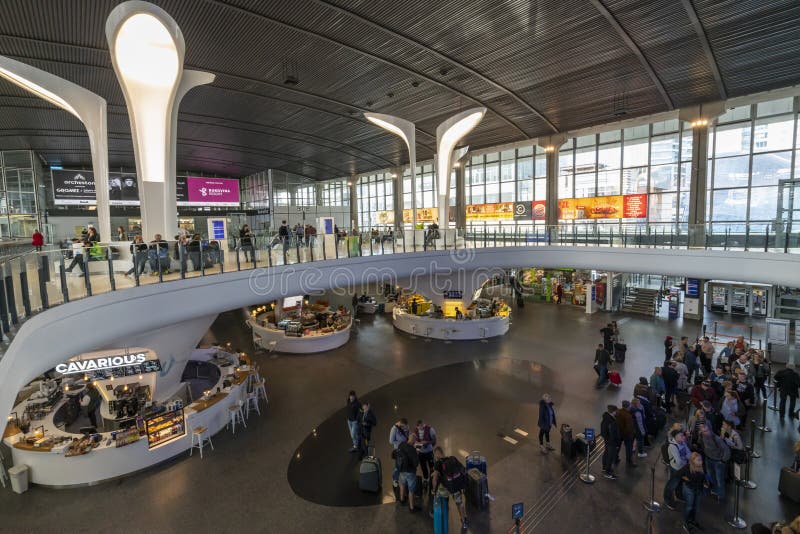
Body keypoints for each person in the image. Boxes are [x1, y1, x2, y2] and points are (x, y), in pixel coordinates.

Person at [431, 446, 468, 531]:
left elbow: (435, 479)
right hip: (457, 486)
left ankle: (437, 510)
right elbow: (463, 469)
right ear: (443, 453)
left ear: (436, 456)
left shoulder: (438, 463)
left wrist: (433, 490)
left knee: (437, 494)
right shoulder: (452, 458)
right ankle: (464, 520)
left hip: (447, 488)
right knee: (460, 503)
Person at [678, 452, 709, 531]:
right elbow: (678, 474)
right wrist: (687, 480)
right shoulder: (687, 467)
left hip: (698, 490)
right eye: (698, 460)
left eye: (701, 459)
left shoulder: (702, 467)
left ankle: (692, 520)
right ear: (692, 461)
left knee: (696, 507)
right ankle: (686, 523)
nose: (700, 461)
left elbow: (704, 477)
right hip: (689, 490)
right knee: (689, 507)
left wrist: (705, 482)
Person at [700, 424, 730, 499]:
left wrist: (723, 460)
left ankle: (720, 495)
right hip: (708, 459)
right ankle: (714, 490)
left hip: (718, 462)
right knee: (710, 476)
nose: (705, 432)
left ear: (710, 430)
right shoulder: (702, 437)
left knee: (719, 479)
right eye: (703, 431)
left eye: (706, 430)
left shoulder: (716, 439)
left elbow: (727, 451)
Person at [663, 428, 688, 511]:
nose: (683, 437)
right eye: (680, 435)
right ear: (675, 437)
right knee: (672, 485)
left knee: (680, 483)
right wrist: (686, 459)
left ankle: (679, 495)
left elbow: (688, 452)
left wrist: (685, 458)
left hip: (683, 467)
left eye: (682, 435)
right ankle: (668, 500)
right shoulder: (672, 446)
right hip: (676, 469)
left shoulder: (682, 442)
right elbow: (677, 461)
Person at [394, 434, 420, 512]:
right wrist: (417, 454)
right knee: (411, 490)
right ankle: (412, 508)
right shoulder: (412, 449)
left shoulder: (401, 444)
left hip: (401, 470)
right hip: (410, 473)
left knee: (402, 485)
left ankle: (402, 500)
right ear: (414, 441)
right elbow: (416, 464)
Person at [600, 405, 621, 480]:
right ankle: (607, 472)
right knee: (610, 456)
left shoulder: (605, 418)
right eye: (616, 411)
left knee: (606, 453)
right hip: (611, 442)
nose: (616, 413)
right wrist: (617, 442)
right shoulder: (612, 421)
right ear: (613, 412)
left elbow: (603, 432)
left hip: (607, 440)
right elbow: (613, 434)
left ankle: (604, 467)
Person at [414, 419, 437, 486]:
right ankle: (426, 479)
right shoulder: (415, 430)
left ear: (423, 424)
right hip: (421, 453)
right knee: (423, 467)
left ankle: (433, 478)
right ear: (417, 427)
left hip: (429, 452)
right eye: (418, 427)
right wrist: (418, 448)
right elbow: (415, 443)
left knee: (432, 466)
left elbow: (434, 440)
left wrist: (427, 443)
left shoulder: (430, 429)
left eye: (421, 426)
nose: (420, 428)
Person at [389, 418, 410, 486]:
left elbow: (407, 436)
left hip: (405, 449)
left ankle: (405, 479)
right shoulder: (394, 429)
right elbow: (391, 441)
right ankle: (395, 480)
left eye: (406, 426)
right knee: (397, 466)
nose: (405, 428)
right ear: (400, 424)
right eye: (403, 426)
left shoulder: (406, 426)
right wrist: (401, 443)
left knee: (406, 464)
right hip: (398, 450)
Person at [617, 400, 636, 467]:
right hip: (627, 434)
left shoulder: (618, 411)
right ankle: (629, 461)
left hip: (619, 432)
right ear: (628, 407)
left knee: (618, 446)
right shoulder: (628, 416)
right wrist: (631, 434)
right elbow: (629, 427)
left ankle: (616, 458)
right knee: (629, 448)